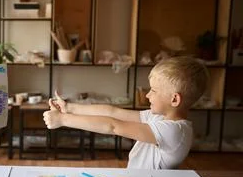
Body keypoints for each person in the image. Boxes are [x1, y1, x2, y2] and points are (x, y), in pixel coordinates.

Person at [43, 56, 209, 169]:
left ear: (174, 100)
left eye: (154, 91)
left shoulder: (174, 131)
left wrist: (63, 120)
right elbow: (112, 112)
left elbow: (113, 126)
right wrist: (70, 108)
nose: (147, 95)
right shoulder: (158, 118)